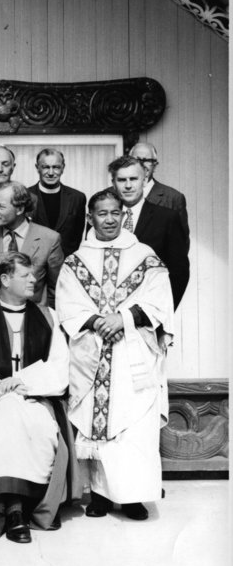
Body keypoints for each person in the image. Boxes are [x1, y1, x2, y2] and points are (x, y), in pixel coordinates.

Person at [57, 189, 173, 521]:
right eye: (101, 213)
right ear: (90, 217)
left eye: (114, 213)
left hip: (132, 350)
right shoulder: (76, 260)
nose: (108, 219)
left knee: (134, 426)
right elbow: (68, 304)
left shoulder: (146, 257)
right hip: (93, 349)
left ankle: (133, 496)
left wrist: (122, 319)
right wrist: (97, 321)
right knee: (95, 425)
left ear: (124, 216)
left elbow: (159, 300)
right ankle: (100, 496)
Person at [0, 252, 77, 543]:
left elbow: (59, 367)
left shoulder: (49, 317)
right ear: (4, 279)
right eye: (25, 275)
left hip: (38, 396)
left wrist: (23, 382)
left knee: (33, 423)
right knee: (8, 414)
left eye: (33, 274)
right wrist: (3, 387)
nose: (34, 280)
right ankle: (14, 509)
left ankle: (21, 505)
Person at [109, 156, 189, 308]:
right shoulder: (104, 218)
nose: (128, 185)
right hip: (109, 314)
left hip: (150, 312)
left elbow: (179, 272)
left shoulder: (167, 218)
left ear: (145, 181)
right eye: (121, 180)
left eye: (133, 179)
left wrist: (162, 314)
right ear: (113, 183)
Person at [0, 182, 64, 307]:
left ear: (20, 209)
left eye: (0, 206)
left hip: (34, 315)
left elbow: (57, 287)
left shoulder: (49, 238)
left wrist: (45, 315)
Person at [28, 148, 87, 257]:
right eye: (45, 167)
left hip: (65, 264)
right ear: (37, 168)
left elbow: (76, 237)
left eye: (56, 167)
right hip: (32, 264)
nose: (51, 173)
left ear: (63, 168)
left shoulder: (77, 198)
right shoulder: (25, 196)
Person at [129, 141, 189, 246]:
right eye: (137, 160)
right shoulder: (110, 194)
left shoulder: (173, 198)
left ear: (155, 165)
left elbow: (181, 245)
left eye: (147, 160)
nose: (141, 164)